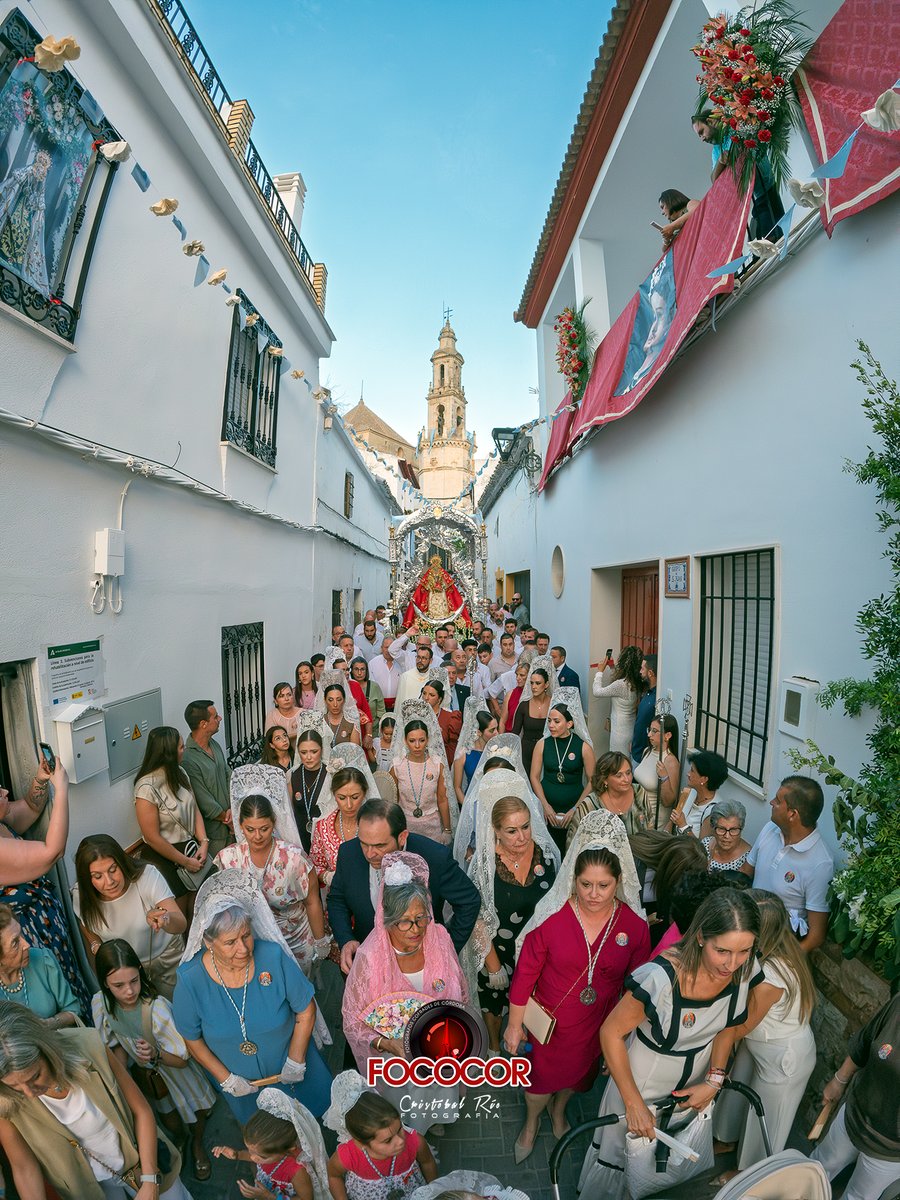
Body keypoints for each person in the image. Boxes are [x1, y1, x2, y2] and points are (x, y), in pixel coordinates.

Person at [577, 888, 762, 1200]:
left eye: (744, 951)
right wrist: (633, 1102)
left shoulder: (745, 970)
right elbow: (610, 1032)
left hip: (695, 1083)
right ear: (701, 936)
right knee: (620, 1158)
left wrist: (714, 1081)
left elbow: (728, 1027)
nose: (732, 964)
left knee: (662, 1162)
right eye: (723, 951)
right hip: (640, 1084)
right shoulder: (659, 978)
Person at [505, 811, 650, 1161]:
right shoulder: (552, 918)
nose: (594, 894)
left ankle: (559, 1112)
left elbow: (637, 986)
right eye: (585, 884)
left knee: (575, 1082)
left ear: (619, 881)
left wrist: (623, 1038)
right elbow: (524, 973)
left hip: (595, 1026)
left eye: (604, 886)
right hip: (548, 1024)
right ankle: (532, 1120)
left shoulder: (634, 926)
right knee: (538, 1083)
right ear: (574, 879)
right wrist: (513, 1025)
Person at [172, 870, 332, 1122]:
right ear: (208, 942)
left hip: (296, 1072)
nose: (243, 948)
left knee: (319, 1123)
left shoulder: (272, 956)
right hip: (246, 1087)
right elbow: (192, 1039)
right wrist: (225, 1078)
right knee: (272, 1147)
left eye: (246, 935)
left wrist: (296, 1059)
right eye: (230, 942)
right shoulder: (190, 980)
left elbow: (305, 1009)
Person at [0, 1002, 188, 1200]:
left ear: (48, 1051)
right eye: (15, 1086)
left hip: (145, 1162)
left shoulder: (90, 1045)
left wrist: (150, 1181)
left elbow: (141, 1110)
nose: (29, 1093)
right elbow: (24, 1168)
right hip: (92, 1190)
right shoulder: (5, 1102)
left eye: (35, 1076)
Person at [342, 853, 468, 1132]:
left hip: (438, 1050)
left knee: (435, 1093)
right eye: (405, 921)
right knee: (403, 1105)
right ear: (386, 920)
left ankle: (432, 1117)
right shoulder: (369, 958)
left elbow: (460, 989)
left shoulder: (440, 938)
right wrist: (388, 1045)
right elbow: (352, 1020)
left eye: (421, 918)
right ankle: (410, 1126)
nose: (416, 929)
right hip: (396, 1060)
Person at [712, 891, 816, 1180]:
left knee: (768, 1120)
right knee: (735, 1097)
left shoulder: (772, 975)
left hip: (783, 1056)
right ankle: (725, 1138)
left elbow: (741, 1025)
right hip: (760, 1042)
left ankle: (750, 1174)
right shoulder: (769, 950)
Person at [91, 939, 216, 1180]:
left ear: (140, 974)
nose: (129, 991)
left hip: (177, 1072)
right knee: (167, 1115)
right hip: (150, 1077)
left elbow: (183, 1059)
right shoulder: (101, 1004)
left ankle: (197, 1144)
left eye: (134, 981)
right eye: (118, 985)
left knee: (196, 1110)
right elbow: (115, 1044)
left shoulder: (157, 1009)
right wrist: (123, 1078)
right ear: (104, 983)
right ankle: (180, 1138)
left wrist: (156, 1054)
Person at [461, 774, 558, 1053]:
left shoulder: (547, 857)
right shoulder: (484, 864)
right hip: (497, 950)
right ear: (496, 831)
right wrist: (492, 964)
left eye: (526, 827)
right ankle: (493, 1045)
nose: (522, 836)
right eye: (512, 831)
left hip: (536, 951)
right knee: (494, 1002)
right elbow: (476, 916)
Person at [327, 798, 481, 973]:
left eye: (380, 845)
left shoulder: (434, 857)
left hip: (422, 966)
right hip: (368, 965)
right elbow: (337, 900)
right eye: (364, 843)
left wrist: (447, 947)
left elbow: (469, 901)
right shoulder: (348, 853)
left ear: (402, 837)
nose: (369, 854)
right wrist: (346, 939)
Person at [0, 756, 90, 1015]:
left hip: (47, 929)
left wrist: (40, 780)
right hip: (29, 937)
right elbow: (52, 852)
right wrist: (61, 790)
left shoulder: (2, 821)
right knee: (60, 996)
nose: (5, 791)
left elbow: (29, 807)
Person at [215, 773, 329, 972]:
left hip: (295, 941)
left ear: (274, 823)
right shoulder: (229, 860)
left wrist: (321, 941)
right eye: (250, 830)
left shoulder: (293, 859)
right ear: (240, 826)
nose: (257, 836)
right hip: (252, 945)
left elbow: (312, 901)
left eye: (264, 829)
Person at [73, 834, 187, 1000]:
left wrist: (165, 918)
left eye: (113, 870)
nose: (109, 881)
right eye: (98, 876)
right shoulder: (80, 895)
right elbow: (86, 924)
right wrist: (95, 944)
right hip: (125, 973)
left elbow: (181, 924)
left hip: (166, 959)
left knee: (179, 1008)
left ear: (122, 863)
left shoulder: (146, 876)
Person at [811, 990, 900, 1200]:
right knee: (815, 1169)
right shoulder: (898, 1004)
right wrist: (838, 1081)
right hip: (854, 1115)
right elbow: (865, 1040)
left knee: (857, 1197)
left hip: (890, 1150)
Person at [742, 775, 834, 951]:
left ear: (792, 813)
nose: (771, 802)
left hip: (777, 945)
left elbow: (816, 936)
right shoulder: (770, 829)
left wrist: (784, 963)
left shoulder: (821, 864)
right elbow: (745, 872)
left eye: (777, 801)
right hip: (743, 928)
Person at [133, 726, 208, 906]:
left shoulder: (180, 773)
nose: (185, 751)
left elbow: (194, 807)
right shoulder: (146, 788)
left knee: (198, 903)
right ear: (168, 753)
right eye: (181, 747)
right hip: (165, 856)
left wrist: (204, 842)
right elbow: (152, 837)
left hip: (191, 848)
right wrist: (185, 862)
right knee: (181, 908)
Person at [325, 1079, 438, 1197]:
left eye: (400, 1129)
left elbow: (428, 1162)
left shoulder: (415, 1142)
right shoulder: (348, 1155)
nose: (400, 1141)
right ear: (360, 1143)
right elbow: (333, 1176)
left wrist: (433, 1192)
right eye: (388, 1140)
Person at [692, 107, 785, 241]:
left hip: (766, 189)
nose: (702, 138)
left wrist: (726, 159)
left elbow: (740, 153)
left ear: (711, 122)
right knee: (760, 244)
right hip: (755, 196)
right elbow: (714, 179)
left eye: (701, 132)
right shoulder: (716, 150)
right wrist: (720, 161)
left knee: (768, 240)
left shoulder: (734, 128)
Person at [0, 903, 80, 1027]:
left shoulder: (43, 959)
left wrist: (49, 1024)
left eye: (21, 934)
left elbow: (73, 1010)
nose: (26, 944)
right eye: (15, 943)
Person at [530, 700, 595, 853]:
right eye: (549, 721)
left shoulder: (583, 747)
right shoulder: (542, 744)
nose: (551, 725)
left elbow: (593, 780)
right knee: (547, 851)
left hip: (573, 808)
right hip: (547, 808)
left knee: (571, 851)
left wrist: (575, 809)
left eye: (556, 721)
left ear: (570, 724)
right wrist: (545, 806)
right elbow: (534, 776)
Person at [310, 748, 378, 891]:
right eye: (342, 798)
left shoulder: (377, 824)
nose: (348, 805)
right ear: (334, 795)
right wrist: (327, 876)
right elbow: (315, 865)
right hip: (337, 898)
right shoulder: (323, 827)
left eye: (355, 797)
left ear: (364, 793)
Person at [390, 704, 454, 844]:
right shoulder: (397, 765)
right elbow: (392, 801)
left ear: (428, 740)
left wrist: (447, 830)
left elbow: (442, 799)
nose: (417, 746)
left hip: (433, 828)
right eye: (412, 741)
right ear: (405, 741)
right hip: (406, 829)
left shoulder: (437, 764)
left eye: (422, 740)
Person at [181, 700, 232, 859]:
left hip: (231, 822)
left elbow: (228, 775)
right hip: (215, 835)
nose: (220, 719)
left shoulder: (214, 744)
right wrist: (227, 819)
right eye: (215, 716)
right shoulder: (188, 759)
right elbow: (202, 800)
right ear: (203, 724)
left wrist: (234, 808)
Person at [568, 751, 643, 847]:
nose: (626, 779)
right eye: (619, 775)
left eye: (628, 773)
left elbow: (650, 829)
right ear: (605, 779)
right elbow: (573, 843)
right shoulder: (589, 805)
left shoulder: (639, 792)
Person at [290, 721, 331, 855]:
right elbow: (289, 812)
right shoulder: (292, 775)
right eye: (303, 752)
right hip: (299, 839)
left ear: (322, 749)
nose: (308, 757)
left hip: (325, 839)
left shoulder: (330, 774)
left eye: (314, 751)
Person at [592, 646, 642, 756]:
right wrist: (612, 667)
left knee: (617, 762)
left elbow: (597, 692)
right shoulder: (637, 682)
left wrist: (599, 672)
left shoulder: (621, 684)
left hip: (619, 733)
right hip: (630, 729)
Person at [668, 748, 729, 837]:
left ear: (704, 779)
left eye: (692, 771)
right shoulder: (690, 792)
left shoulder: (713, 811)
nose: (688, 774)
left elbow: (701, 847)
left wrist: (683, 826)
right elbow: (671, 821)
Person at [632, 713, 680, 829]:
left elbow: (669, 802)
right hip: (638, 815)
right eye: (649, 730)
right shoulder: (647, 751)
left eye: (654, 731)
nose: (649, 735)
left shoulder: (670, 761)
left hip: (653, 822)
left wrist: (664, 777)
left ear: (667, 735)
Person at [511, 662, 554, 775]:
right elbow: (515, 732)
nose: (534, 687)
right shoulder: (524, 705)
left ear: (546, 684)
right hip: (527, 751)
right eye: (531, 683)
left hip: (548, 750)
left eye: (538, 683)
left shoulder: (553, 704)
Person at [453, 705, 498, 807]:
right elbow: (457, 787)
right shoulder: (463, 754)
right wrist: (468, 809)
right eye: (492, 730)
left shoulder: (498, 750)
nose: (497, 733)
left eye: (497, 728)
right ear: (478, 732)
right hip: (472, 803)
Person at [702, 799, 751, 871]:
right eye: (721, 829)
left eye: (733, 830)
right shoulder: (705, 845)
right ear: (713, 827)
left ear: (741, 828)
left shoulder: (748, 859)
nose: (727, 836)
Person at [422, 679, 462, 765]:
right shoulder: (417, 716)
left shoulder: (450, 718)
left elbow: (453, 749)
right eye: (424, 693)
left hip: (442, 764)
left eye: (431, 695)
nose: (426, 698)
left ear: (439, 699)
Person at [352, 657, 386, 757]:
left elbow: (381, 712)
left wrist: (374, 735)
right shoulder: (348, 686)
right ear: (351, 671)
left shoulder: (374, 687)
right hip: (354, 732)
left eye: (362, 669)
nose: (359, 673)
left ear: (366, 671)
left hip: (373, 732)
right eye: (356, 669)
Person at [319, 678, 362, 748]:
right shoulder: (320, 721)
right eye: (330, 700)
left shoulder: (351, 722)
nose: (335, 704)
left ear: (344, 700)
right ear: (325, 700)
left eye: (339, 700)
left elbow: (355, 752)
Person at [630, 653, 657, 763]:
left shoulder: (656, 698)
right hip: (636, 750)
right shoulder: (648, 693)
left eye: (642, 669)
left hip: (645, 755)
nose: (640, 672)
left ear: (650, 673)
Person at [395, 642, 435, 710]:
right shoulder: (406, 676)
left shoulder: (434, 677)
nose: (420, 660)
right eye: (418, 657)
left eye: (424, 658)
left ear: (430, 661)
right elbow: (399, 703)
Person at [266, 682, 304, 750]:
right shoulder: (272, 715)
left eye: (289, 695)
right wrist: (297, 733)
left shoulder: (303, 713)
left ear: (293, 696)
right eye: (281, 696)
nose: (286, 699)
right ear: (276, 701)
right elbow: (270, 739)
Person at [369, 636, 403, 713]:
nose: (388, 650)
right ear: (381, 648)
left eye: (391, 647)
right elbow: (371, 686)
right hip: (378, 705)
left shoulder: (402, 664)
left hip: (397, 705)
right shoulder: (373, 663)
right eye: (386, 647)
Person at [497, 661, 529, 732]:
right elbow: (502, 721)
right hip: (510, 736)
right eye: (517, 675)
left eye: (522, 675)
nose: (518, 678)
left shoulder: (533, 695)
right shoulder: (510, 694)